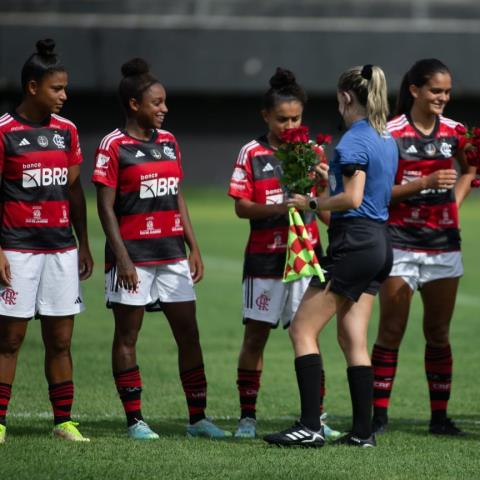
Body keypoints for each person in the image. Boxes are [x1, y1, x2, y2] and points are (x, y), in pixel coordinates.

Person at [93, 58, 230, 440]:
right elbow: (104, 206)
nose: (165, 108)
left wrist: (194, 246)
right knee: (127, 336)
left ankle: (198, 419)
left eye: (165, 101)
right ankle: (135, 420)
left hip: (171, 255)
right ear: (135, 105)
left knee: (189, 333)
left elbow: (177, 196)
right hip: (132, 258)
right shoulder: (113, 145)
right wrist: (121, 257)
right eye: (157, 102)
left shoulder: (169, 143)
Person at [263, 64, 398, 447]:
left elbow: (352, 200)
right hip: (377, 244)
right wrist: (327, 187)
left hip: (354, 245)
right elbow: (357, 202)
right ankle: (362, 433)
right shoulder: (384, 138)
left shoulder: (353, 140)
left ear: (345, 97)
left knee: (302, 329)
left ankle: (308, 427)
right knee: (352, 336)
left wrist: (310, 198)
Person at [228, 67, 339, 440]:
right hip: (264, 260)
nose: (290, 125)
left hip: (305, 260)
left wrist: (324, 188)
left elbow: (325, 214)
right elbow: (241, 207)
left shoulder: (313, 152)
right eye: (282, 119)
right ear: (265, 116)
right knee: (256, 338)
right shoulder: (252, 152)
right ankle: (247, 416)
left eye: (296, 118)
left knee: (309, 336)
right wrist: (280, 208)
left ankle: (317, 415)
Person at [369, 58, 475, 435]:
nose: (443, 97)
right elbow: (376, 193)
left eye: (447, 91)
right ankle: (378, 416)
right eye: (435, 90)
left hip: (444, 245)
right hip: (399, 243)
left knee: (439, 332)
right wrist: (424, 182)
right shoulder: (390, 133)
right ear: (414, 90)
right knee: (391, 330)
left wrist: (454, 202)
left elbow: (472, 168)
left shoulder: (455, 131)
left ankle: (439, 418)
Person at [0, 39, 93, 443]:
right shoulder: (5, 131)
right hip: (17, 248)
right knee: (10, 339)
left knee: (60, 339)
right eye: (57, 88)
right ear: (33, 87)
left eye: (65, 88)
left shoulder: (66, 132)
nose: (64, 96)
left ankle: (64, 422)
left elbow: (74, 192)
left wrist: (85, 244)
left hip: (61, 249)